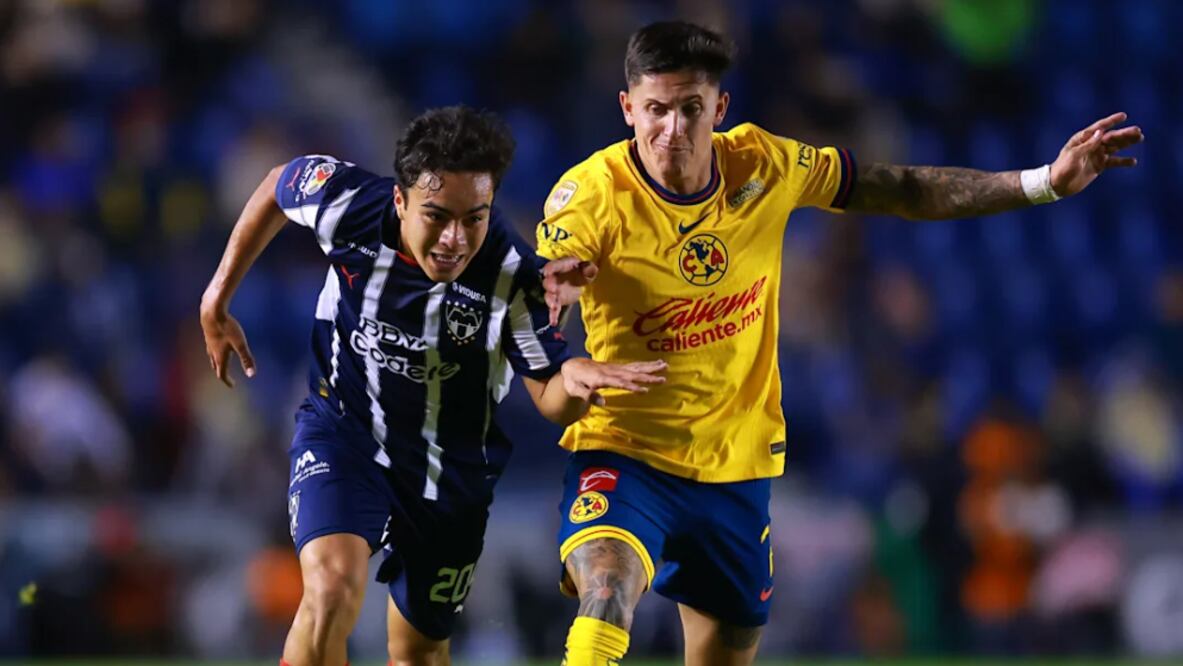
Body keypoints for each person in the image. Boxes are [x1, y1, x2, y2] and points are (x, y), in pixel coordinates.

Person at [536, 20, 1142, 666]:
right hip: (626, 456)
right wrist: (556, 326)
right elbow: (538, 316)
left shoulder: (762, 163)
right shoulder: (587, 199)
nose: (673, 131)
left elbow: (900, 188)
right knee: (605, 591)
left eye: (691, 110)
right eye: (655, 110)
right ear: (627, 109)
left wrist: (1043, 180)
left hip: (735, 470)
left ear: (719, 107)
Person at [199, 105, 665, 666]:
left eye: (475, 218)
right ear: (400, 200)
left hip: (450, 472)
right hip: (344, 436)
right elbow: (278, 184)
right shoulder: (346, 203)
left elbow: (548, 395)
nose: (455, 238)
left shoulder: (514, 274)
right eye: (437, 215)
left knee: (418, 650)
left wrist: (575, 381)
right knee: (328, 591)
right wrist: (217, 295)